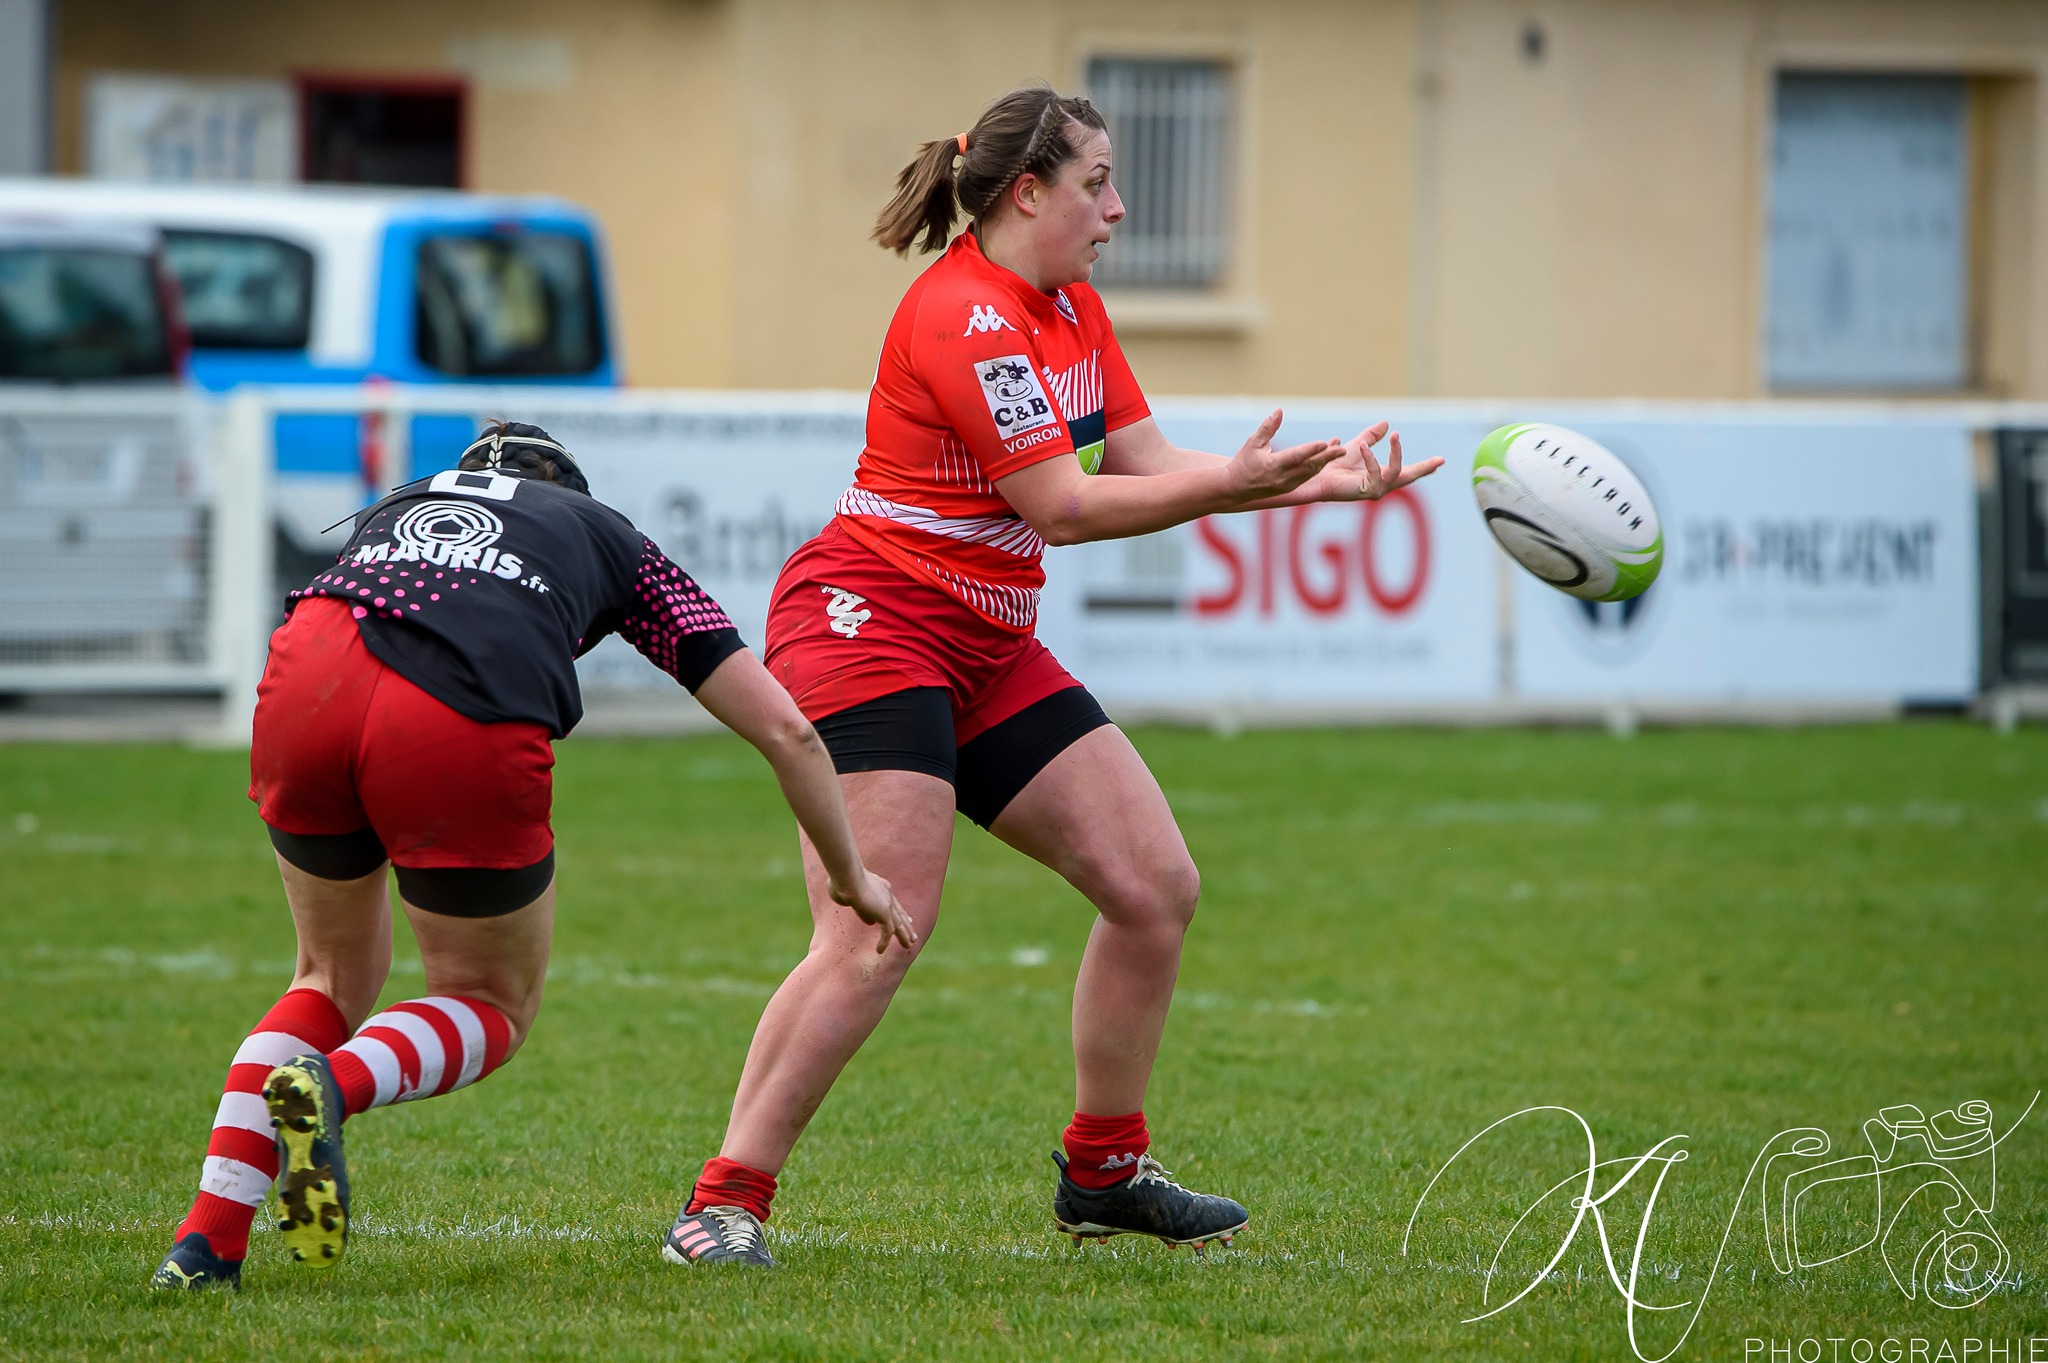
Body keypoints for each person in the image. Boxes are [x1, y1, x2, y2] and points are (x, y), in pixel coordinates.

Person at [661, 85, 1441, 1267]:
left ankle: (1104, 1171)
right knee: (875, 930)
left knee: (1152, 883)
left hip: (980, 640)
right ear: (1027, 192)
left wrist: (1301, 487)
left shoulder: (1069, 304)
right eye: (1096, 185)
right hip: (869, 627)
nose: (1116, 209)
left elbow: (1150, 462)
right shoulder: (965, 317)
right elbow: (1064, 508)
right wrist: (1231, 488)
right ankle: (720, 1205)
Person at [150, 422, 914, 1290]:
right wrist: (852, 876)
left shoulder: (400, 503)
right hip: (455, 706)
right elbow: (787, 729)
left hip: (307, 674)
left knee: (325, 977)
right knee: (488, 998)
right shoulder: (609, 536)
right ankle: (331, 1084)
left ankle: (205, 1246)